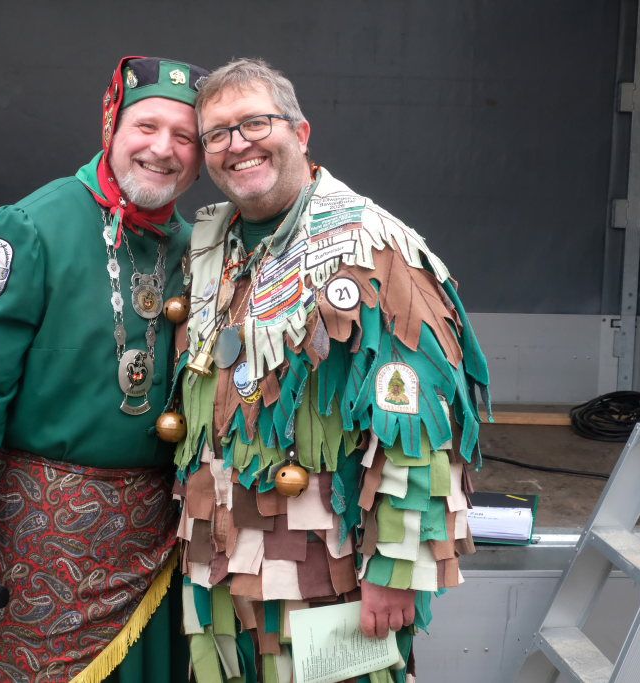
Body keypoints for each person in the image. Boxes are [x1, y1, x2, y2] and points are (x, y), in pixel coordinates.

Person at [170, 58, 491, 683]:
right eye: (218, 134)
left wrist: (396, 568)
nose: (238, 145)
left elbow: (418, 426)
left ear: (301, 132)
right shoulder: (212, 246)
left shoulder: (373, 247)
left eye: (255, 123)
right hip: (217, 566)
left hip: (329, 571)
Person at [0, 55, 208, 683]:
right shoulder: (31, 228)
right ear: (111, 126)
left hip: (154, 545)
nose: (163, 149)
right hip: (36, 542)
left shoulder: (198, 249)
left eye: (184, 137)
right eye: (146, 126)